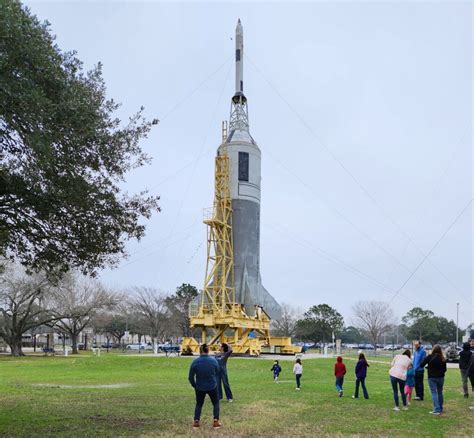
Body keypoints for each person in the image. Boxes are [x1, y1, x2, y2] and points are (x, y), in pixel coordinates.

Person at [188, 343, 221, 429]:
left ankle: (196, 421)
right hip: (212, 385)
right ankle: (216, 421)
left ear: (200, 351)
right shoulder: (214, 361)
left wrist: (194, 385)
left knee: (199, 404)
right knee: (216, 403)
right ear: (208, 350)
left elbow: (190, 377)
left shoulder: (195, 362)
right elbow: (217, 371)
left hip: (199, 386)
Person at [420, 344, 447, 416]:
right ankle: (440, 408)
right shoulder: (443, 358)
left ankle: (436, 409)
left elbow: (421, 364)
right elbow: (445, 369)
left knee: (434, 393)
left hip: (432, 377)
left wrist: (428, 367)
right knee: (440, 392)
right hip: (441, 377)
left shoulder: (429, 357)